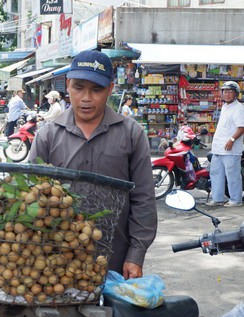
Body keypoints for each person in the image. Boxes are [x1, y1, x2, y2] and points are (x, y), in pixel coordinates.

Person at [28, 50, 157, 280]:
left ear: (109, 89)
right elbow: (30, 193)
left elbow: (144, 199)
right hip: (55, 260)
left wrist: (136, 255)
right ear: (68, 86)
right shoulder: (48, 134)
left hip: (114, 259)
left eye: (96, 89)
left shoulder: (131, 133)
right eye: (78, 87)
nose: (86, 98)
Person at [206, 81, 244, 207]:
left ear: (236, 94)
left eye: (230, 92)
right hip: (218, 148)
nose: (227, 94)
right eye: (225, 92)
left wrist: (231, 140)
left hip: (231, 149)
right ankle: (217, 198)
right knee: (216, 173)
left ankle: (235, 200)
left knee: (232, 175)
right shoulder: (224, 107)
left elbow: (241, 127)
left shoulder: (239, 108)